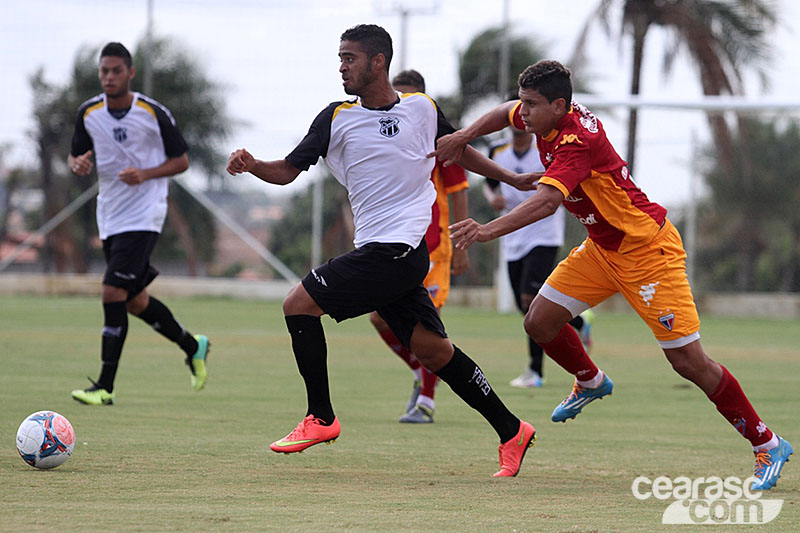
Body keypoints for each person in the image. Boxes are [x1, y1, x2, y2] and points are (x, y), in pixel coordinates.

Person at [436, 59, 791, 490]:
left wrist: (486, 229)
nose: (522, 112)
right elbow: (503, 110)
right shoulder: (545, 116)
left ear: (559, 105)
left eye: (531, 104)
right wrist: (463, 135)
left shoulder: (575, 140)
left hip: (647, 252)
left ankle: (767, 442)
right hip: (602, 249)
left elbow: (547, 203)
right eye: (523, 102)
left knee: (687, 361)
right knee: (540, 321)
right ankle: (590, 380)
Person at [227, 24, 537, 477]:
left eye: (349, 58)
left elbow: (456, 150)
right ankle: (512, 430)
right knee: (434, 351)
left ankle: (321, 417)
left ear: (377, 62)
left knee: (297, 305)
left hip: (399, 250)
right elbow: (288, 171)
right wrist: (253, 165)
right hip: (387, 253)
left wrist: (510, 180)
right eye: (340, 58)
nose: (341, 66)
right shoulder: (336, 117)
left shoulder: (422, 109)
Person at [68, 42, 210, 405]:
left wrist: (146, 174)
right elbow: (77, 156)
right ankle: (194, 346)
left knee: (112, 292)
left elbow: (181, 161)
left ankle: (105, 387)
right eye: (104, 71)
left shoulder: (151, 112)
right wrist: (77, 164)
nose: (109, 77)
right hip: (110, 214)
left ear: (129, 73)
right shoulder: (88, 113)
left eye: (116, 70)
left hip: (146, 213)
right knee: (134, 301)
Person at [367, 69, 469, 424]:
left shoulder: (436, 138)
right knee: (379, 316)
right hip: (397, 246)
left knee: (429, 325)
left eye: (409, 98)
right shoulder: (389, 137)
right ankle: (420, 370)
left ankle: (426, 401)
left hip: (434, 247)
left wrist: (461, 244)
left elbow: (458, 189)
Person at [485, 125, 594, 388]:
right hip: (513, 236)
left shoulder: (545, 149)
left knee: (529, 299)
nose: (519, 124)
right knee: (525, 307)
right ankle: (578, 321)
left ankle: (535, 372)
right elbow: (489, 184)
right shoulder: (497, 150)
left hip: (544, 234)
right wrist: (492, 198)